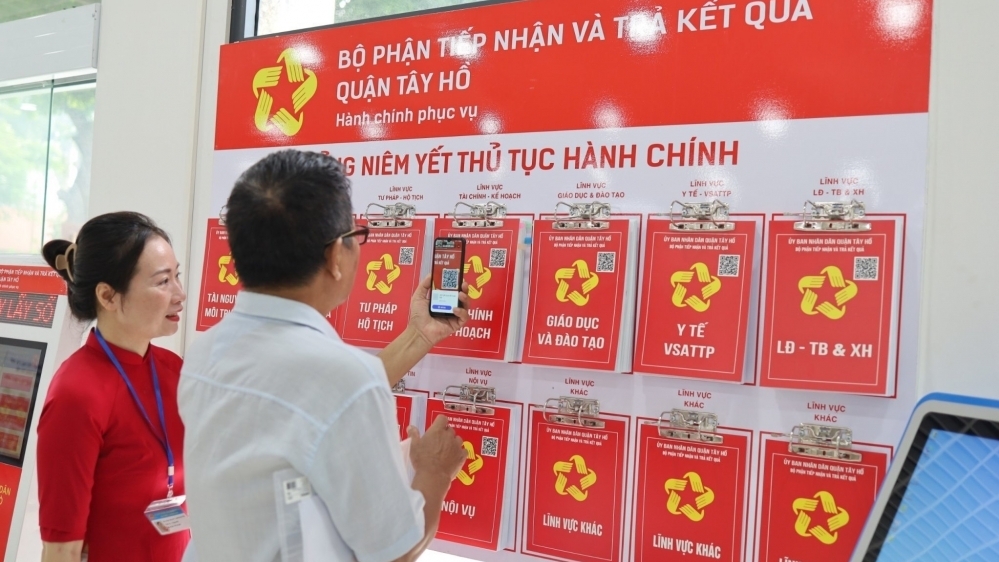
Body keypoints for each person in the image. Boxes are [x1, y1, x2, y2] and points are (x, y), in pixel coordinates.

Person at [179, 149, 469, 562]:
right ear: (335, 256)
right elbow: (395, 553)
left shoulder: (206, 353)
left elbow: (311, 398)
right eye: (355, 235)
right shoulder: (344, 380)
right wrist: (435, 472)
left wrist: (418, 336)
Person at [37, 212, 189, 562]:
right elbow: (61, 549)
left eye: (177, 276)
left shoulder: (175, 371)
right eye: (163, 281)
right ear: (107, 296)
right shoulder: (76, 395)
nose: (179, 294)